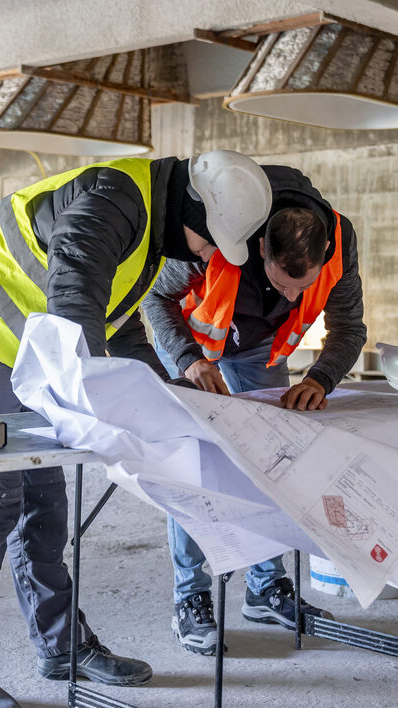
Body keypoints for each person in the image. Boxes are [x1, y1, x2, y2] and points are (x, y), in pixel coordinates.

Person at [0, 150, 273, 708]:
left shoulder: (154, 230)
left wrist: (168, 399)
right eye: (211, 242)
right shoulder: (112, 202)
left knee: (45, 499)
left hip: (24, 338)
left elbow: (120, 323)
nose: (209, 256)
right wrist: (98, 406)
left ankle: (60, 646)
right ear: (195, 209)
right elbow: (75, 306)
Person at [143, 164, 367, 656]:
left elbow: (349, 327)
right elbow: (155, 298)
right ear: (260, 248)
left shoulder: (340, 240)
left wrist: (318, 378)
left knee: (270, 457)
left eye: (300, 288)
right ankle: (191, 597)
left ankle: (266, 588)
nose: (292, 296)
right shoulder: (226, 224)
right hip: (192, 344)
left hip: (259, 348)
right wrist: (189, 360)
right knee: (194, 465)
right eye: (282, 282)